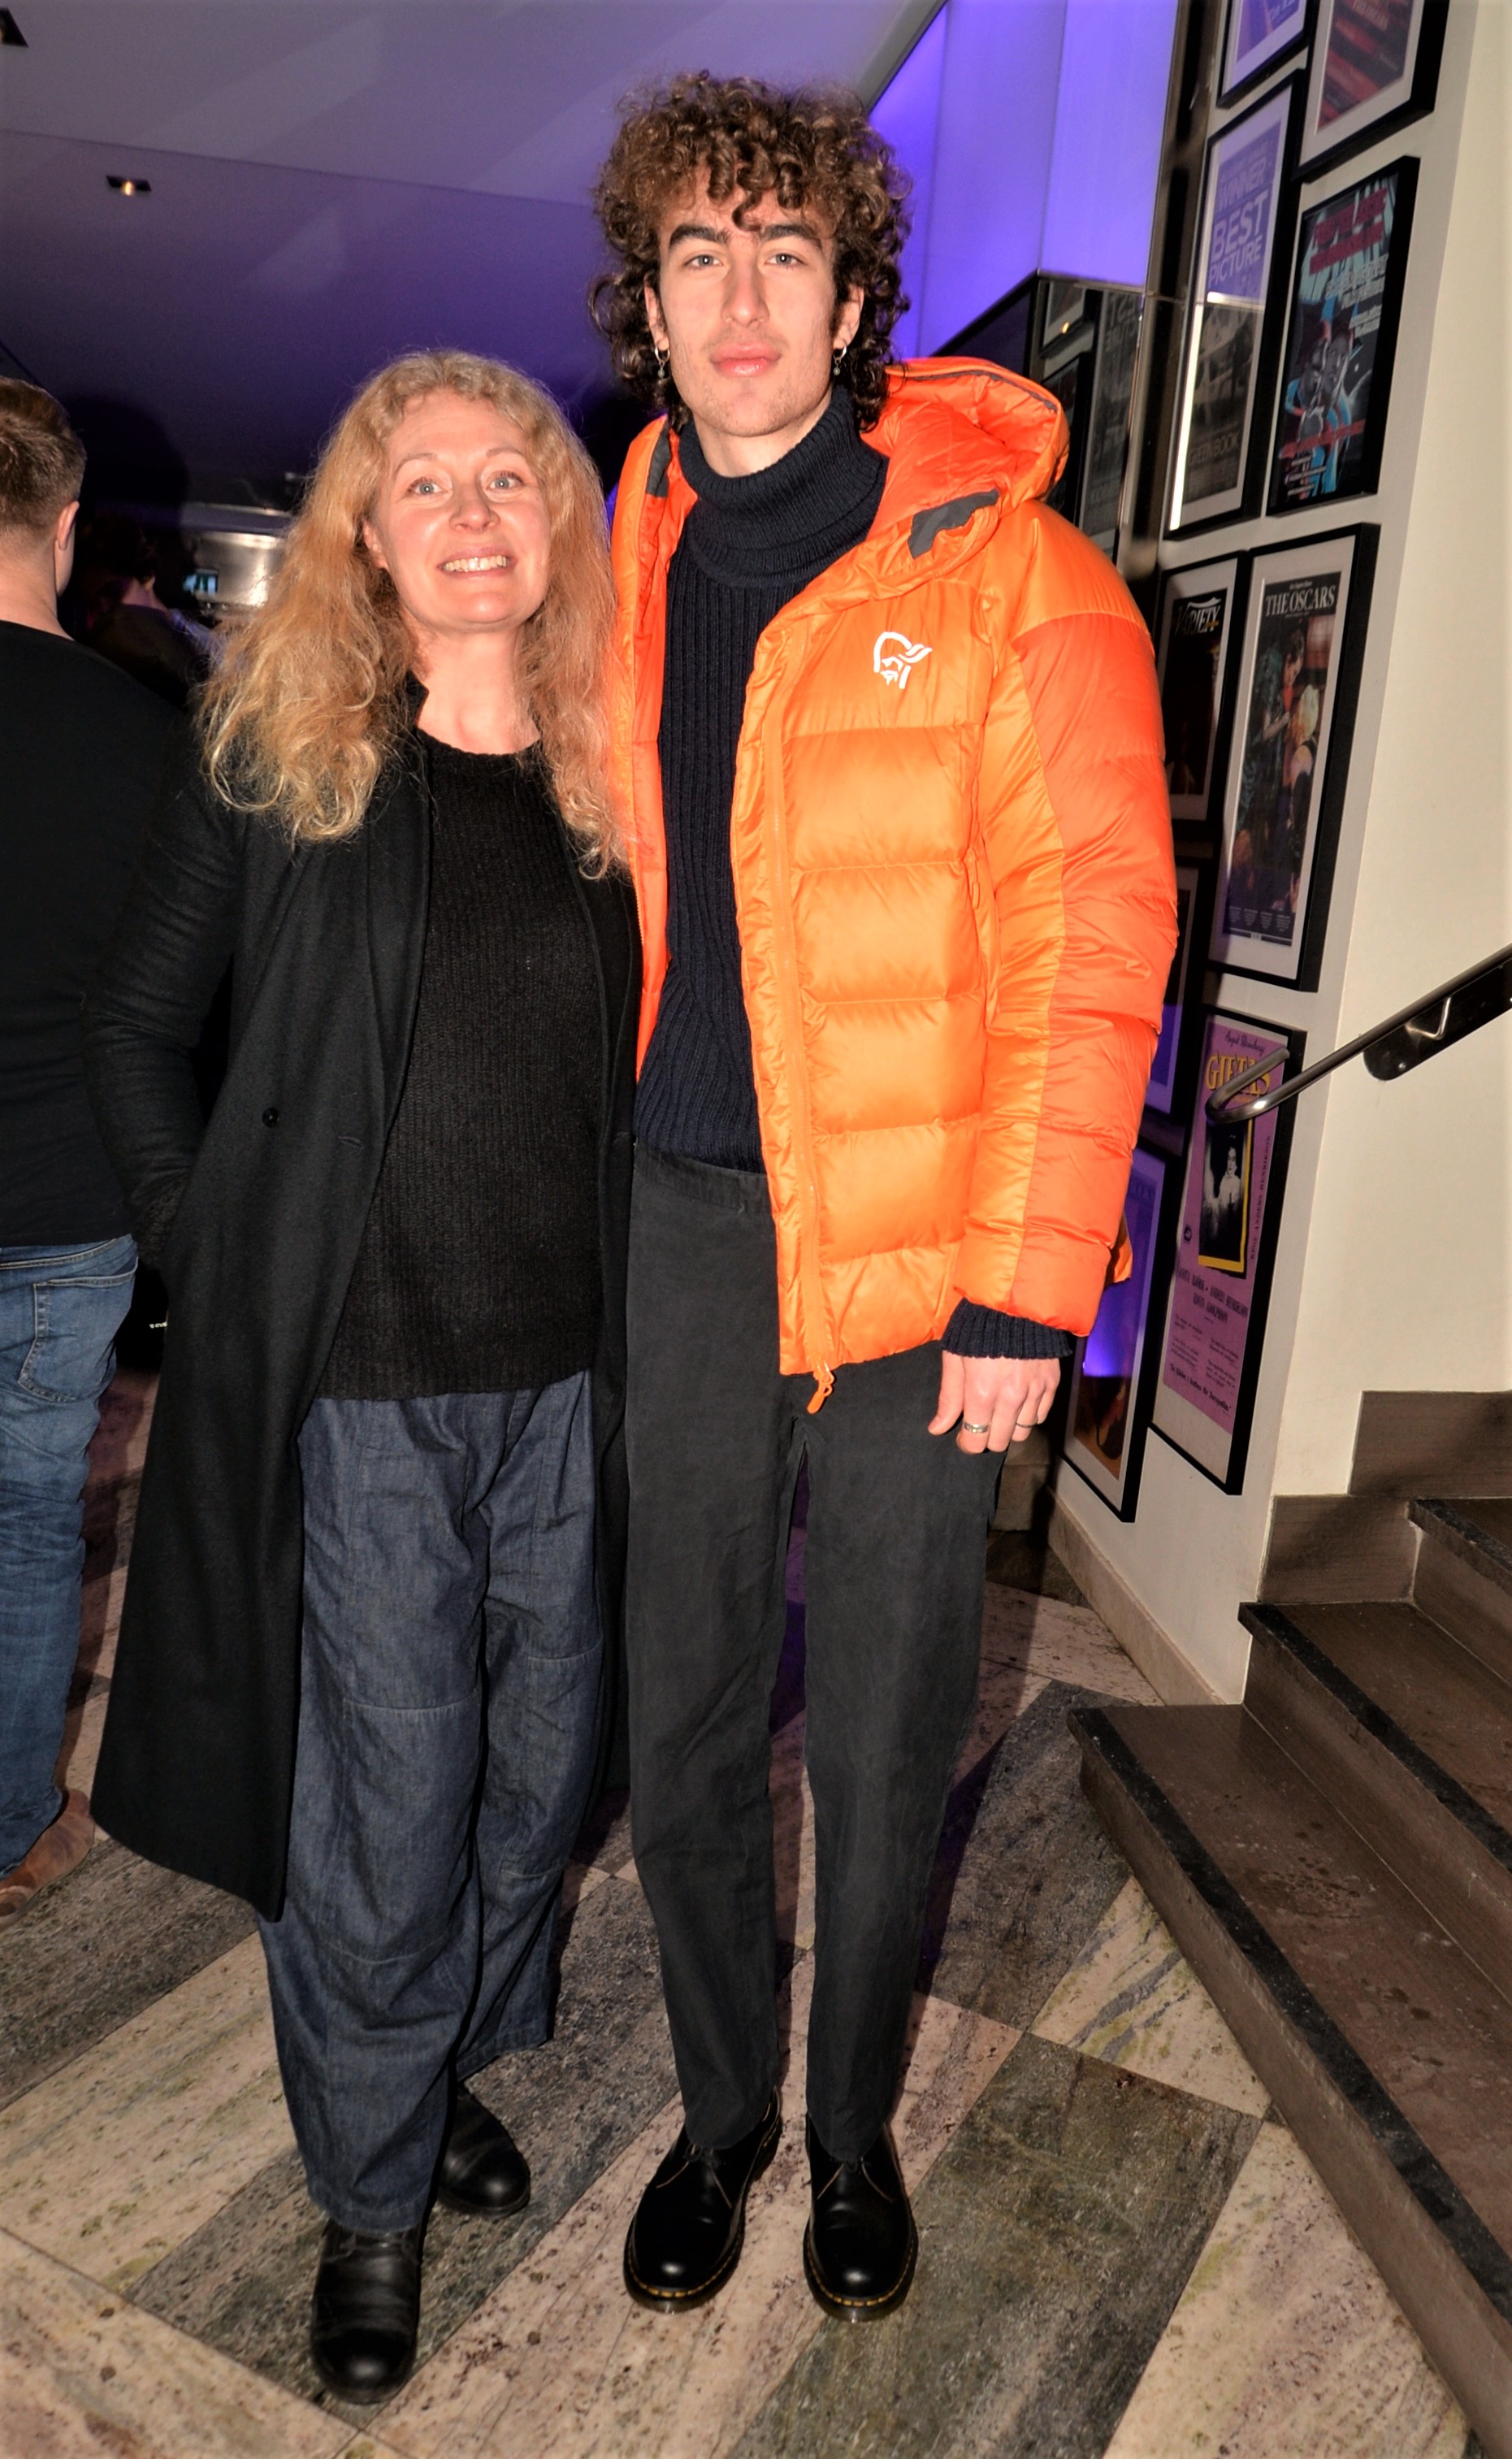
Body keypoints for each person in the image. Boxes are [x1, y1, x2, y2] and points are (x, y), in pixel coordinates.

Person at [590, 75, 1175, 2322]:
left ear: (853, 304)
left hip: (927, 1249)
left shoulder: (1014, 575)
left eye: (783, 253)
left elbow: (1093, 932)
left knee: (885, 1710)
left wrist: (1030, 1292)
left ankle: (846, 2130)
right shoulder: (621, 555)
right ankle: (717, 2110)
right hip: (676, 1220)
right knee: (678, 1700)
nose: (738, 296)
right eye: (696, 254)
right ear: (648, 303)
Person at [81, 351, 638, 2401]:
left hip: (571, 1390)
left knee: (531, 1785)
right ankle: (371, 2189)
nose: (474, 512)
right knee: (385, 1813)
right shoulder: (281, 754)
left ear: (556, 522)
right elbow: (134, 1033)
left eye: (511, 476)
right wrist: (219, 1251)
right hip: (367, 1392)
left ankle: (432, 2063)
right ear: (366, 536)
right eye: (427, 485)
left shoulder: (614, 776)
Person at [0, 382, 175, 1923]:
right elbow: (174, 1002)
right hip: (63, 1204)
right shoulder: (142, 741)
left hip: (65, 1207)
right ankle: (8, 1826)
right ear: (64, 531)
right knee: (24, 1518)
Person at [74, 510, 217, 709]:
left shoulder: (210, 648)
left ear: (147, 577)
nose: (104, 610)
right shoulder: (95, 658)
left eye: (113, 592)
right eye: (92, 603)